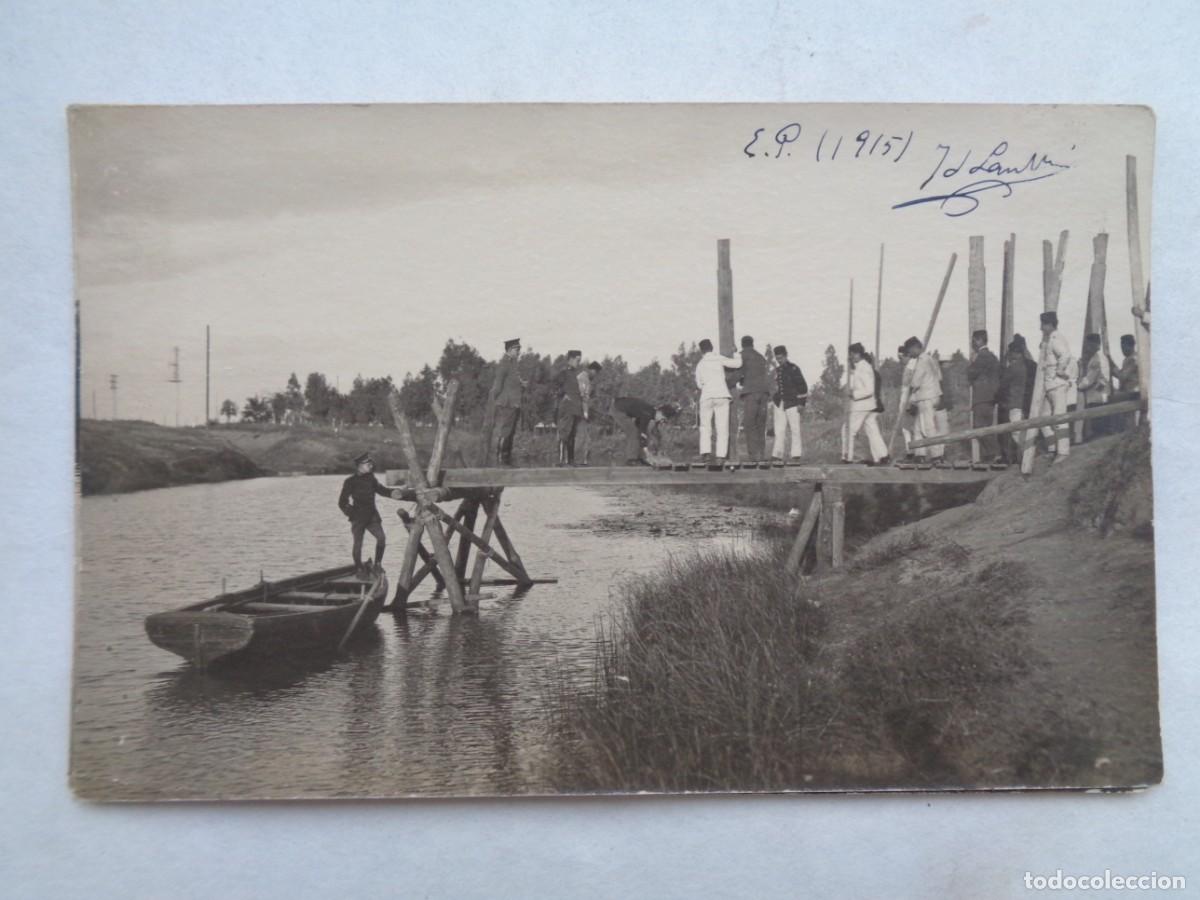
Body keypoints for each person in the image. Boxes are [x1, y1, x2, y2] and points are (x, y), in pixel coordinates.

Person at [338, 452, 403, 579]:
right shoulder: (350, 481)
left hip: (372, 517)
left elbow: (383, 491)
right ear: (360, 466)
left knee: (382, 539)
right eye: (368, 464)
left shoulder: (371, 479)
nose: (371, 466)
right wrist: (352, 513)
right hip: (358, 518)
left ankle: (378, 564)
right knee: (358, 544)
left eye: (371, 464)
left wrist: (397, 492)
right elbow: (342, 502)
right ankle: (359, 568)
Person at [694, 338, 743, 464]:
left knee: (705, 426)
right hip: (721, 394)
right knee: (722, 427)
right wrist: (736, 352)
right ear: (712, 348)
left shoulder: (700, 364)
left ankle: (705, 454)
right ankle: (721, 456)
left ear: (701, 351)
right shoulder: (718, 358)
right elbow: (737, 364)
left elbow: (699, 384)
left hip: (706, 396)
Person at [842, 342, 889, 465]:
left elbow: (869, 390)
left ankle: (849, 458)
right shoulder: (860, 367)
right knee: (872, 429)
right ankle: (883, 455)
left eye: (852, 354)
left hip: (861, 405)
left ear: (858, 354)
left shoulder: (864, 367)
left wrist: (854, 394)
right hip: (867, 405)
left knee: (850, 431)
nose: (851, 357)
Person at [1036, 311, 1075, 461]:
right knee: (1044, 419)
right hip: (1049, 386)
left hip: (1057, 385)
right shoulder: (1048, 340)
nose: (1041, 328)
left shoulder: (1056, 338)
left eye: (1043, 324)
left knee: (1059, 419)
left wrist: (1060, 370)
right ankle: (1052, 448)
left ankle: (1063, 452)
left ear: (1050, 324)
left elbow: (1065, 355)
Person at [903, 336, 947, 465]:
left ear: (915, 348)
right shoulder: (931, 359)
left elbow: (915, 382)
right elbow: (939, 376)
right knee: (917, 427)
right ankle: (920, 454)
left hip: (926, 397)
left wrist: (909, 381)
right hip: (933, 395)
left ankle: (937, 455)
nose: (909, 354)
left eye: (910, 351)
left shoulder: (921, 361)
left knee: (928, 427)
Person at [489, 338, 525, 466]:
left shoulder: (512, 364)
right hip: (507, 404)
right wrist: (499, 400)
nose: (519, 352)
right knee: (506, 431)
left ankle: (506, 460)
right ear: (510, 350)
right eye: (517, 349)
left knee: (510, 432)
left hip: (513, 404)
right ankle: (501, 461)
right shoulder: (505, 364)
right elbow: (497, 386)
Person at [966, 329, 1001, 462]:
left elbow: (971, 373)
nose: (972, 343)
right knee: (985, 426)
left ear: (979, 340)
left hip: (982, 397)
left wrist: (971, 363)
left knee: (980, 427)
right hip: (990, 397)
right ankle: (990, 455)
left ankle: (995, 453)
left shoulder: (982, 356)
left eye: (974, 340)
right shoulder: (992, 357)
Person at [770, 345, 808, 464]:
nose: (779, 360)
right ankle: (777, 455)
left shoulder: (794, 369)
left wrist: (801, 403)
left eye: (780, 358)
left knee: (795, 429)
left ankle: (796, 455)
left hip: (792, 403)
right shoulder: (778, 370)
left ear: (786, 356)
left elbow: (803, 387)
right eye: (777, 358)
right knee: (779, 430)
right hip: (780, 403)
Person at [612, 397, 679, 465]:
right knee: (633, 433)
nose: (661, 421)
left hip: (621, 407)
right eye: (663, 419)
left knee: (640, 433)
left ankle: (640, 458)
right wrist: (646, 451)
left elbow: (641, 429)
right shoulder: (648, 414)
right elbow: (641, 433)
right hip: (618, 410)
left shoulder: (649, 412)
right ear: (660, 412)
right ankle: (631, 459)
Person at [738, 336, 771, 462]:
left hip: (751, 392)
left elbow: (738, 373)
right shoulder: (761, 357)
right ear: (752, 344)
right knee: (760, 424)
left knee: (749, 424)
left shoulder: (742, 355)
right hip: (764, 393)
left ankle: (753, 456)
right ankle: (761, 454)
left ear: (742, 345)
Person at [997, 341, 1031, 462]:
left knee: (1017, 433)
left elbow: (1003, 385)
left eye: (1011, 352)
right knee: (1024, 430)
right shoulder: (1028, 365)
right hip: (1027, 402)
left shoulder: (1013, 367)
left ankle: (1026, 457)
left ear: (1015, 353)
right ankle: (1025, 456)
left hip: (1015, 402)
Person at [1076, 333, 1112, 440]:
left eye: (1089, 344)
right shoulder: (1101, 357)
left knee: (1098, 422)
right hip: (1102, 392)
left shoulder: (1096, 360)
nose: (1087, 347)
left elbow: (1088, 380)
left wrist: (1079, 385)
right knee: (1100, 422)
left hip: (1097, 395)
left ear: (1095, 344)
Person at [554, 350, 585, 466]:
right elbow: (554, 385)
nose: (579, 362)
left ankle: (571, 460)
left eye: (580, 360)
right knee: (564, 434)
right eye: (577, 360)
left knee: (572, 435)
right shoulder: (564, 373)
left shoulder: (575, 374)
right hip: (567, 408)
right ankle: (561, 461)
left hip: (575, 409)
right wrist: (563, 395)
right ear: (571, 359)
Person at [577, 361, 602, 464]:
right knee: (581, 436)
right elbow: (583, 396)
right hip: (579, 410)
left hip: (581, 410)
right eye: (596, 373)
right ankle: (574, 459)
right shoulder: (583, 378)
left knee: (586, 437)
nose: (596, 376)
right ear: (592, 370)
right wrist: (585, 412)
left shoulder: (586, 379)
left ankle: (584, 460)